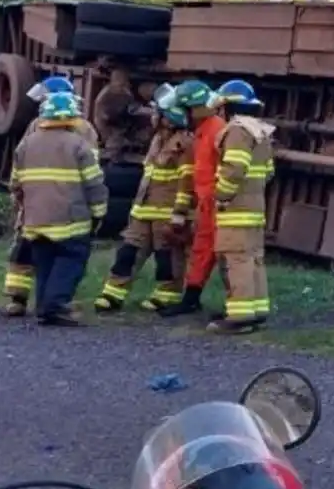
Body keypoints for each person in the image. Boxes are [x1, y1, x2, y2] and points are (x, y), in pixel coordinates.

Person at [2, 75, 99, 318]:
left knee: (45, 254)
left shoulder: (82, 130)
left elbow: (89, 168)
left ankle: (45, 302)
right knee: (31, 253)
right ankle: (25, 299)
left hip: (45, 205)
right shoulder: (38, 124)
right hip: (48, 206)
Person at [94, 83, 195, 313]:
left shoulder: (184, 145)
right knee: (128, 252)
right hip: (143, 210)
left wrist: (179, 214)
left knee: (166, 258)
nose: (153, 117)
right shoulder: (158, 140)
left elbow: (186, 182)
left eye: (157, 113)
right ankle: (112, 294)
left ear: (169, 118)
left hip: (166, 214)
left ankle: (166, 295)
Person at [204, 79, 276, 334]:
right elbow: (268, 172)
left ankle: (240, 316)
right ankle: (256, 309)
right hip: (255, 208)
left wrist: (221, 195)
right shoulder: (261, 132)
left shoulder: (237, 131)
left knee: (236, 259)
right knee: (253, 259)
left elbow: (233, 169)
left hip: (236, 210)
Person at [159, 80, 231, 319]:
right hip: (208, 203)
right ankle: (191, 298)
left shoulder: (216, 131)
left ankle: (238, 305)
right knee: (202, 249)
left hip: (219, 204)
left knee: (226, 254)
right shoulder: (204, 131)